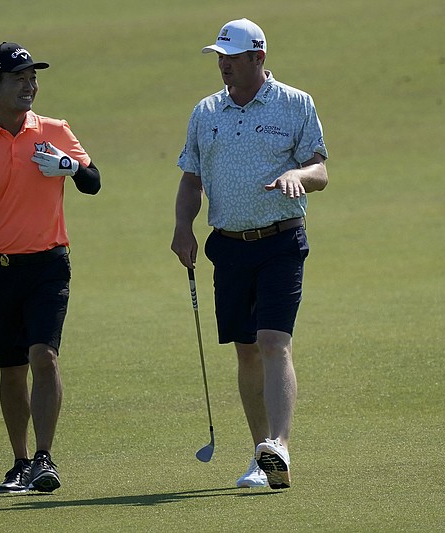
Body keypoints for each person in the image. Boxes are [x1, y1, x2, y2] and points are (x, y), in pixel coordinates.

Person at [0, 42, 101, 494]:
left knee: (43, 355)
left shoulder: (54, 130)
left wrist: (67, 166)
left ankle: (45, 458)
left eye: (33, 77)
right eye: (19, 78)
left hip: (49, 264)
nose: (30, 85)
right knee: (11, 368)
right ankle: (21, 462)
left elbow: (93, 182)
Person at [171, 19, 328, 490]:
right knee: (246, 351)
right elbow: (191, 177)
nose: (223, 65)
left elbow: (320, 167)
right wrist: (183, 227)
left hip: (281, 241)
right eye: (219, 57)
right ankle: (262, 457)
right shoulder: (206, 111)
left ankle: (279, 445)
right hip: (229, 247)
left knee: (274, 342)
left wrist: (300, 177)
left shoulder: (295, 103)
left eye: (231, 57)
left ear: (258, 58)